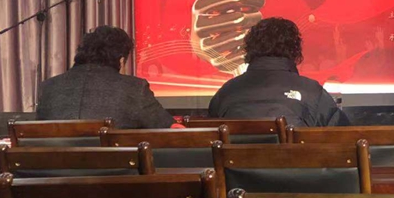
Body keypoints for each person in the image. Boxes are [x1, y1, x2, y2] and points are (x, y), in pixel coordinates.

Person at [208, 17, 350, 126]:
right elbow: (345, 137)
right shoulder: (312, 92)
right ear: (294, 50)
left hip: (238, 158)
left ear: (249, 49)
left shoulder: (226, 92)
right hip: (295, 158)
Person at [36, 25, 177, 129]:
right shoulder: (135, 88)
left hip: (52, 162)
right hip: (114, 163)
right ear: (121, 61)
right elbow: (171, 130)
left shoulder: (48, 87)